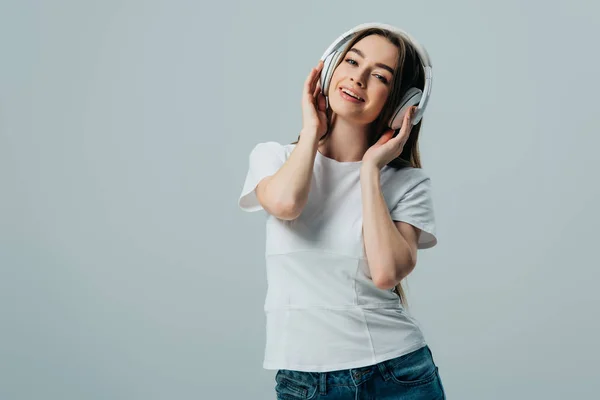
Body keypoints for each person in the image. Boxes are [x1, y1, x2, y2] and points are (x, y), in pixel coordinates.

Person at [238, 22, 446, 399]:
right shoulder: (272, 158)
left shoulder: (407, 184)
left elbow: (386, 273)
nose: (358, 78)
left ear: (401, 104)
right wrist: (311, 127)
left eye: (380, 75)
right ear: (330, 67)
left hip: (397, 373)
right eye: (351, 61)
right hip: (304, 382)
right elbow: (287, 204)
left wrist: (370, 170)